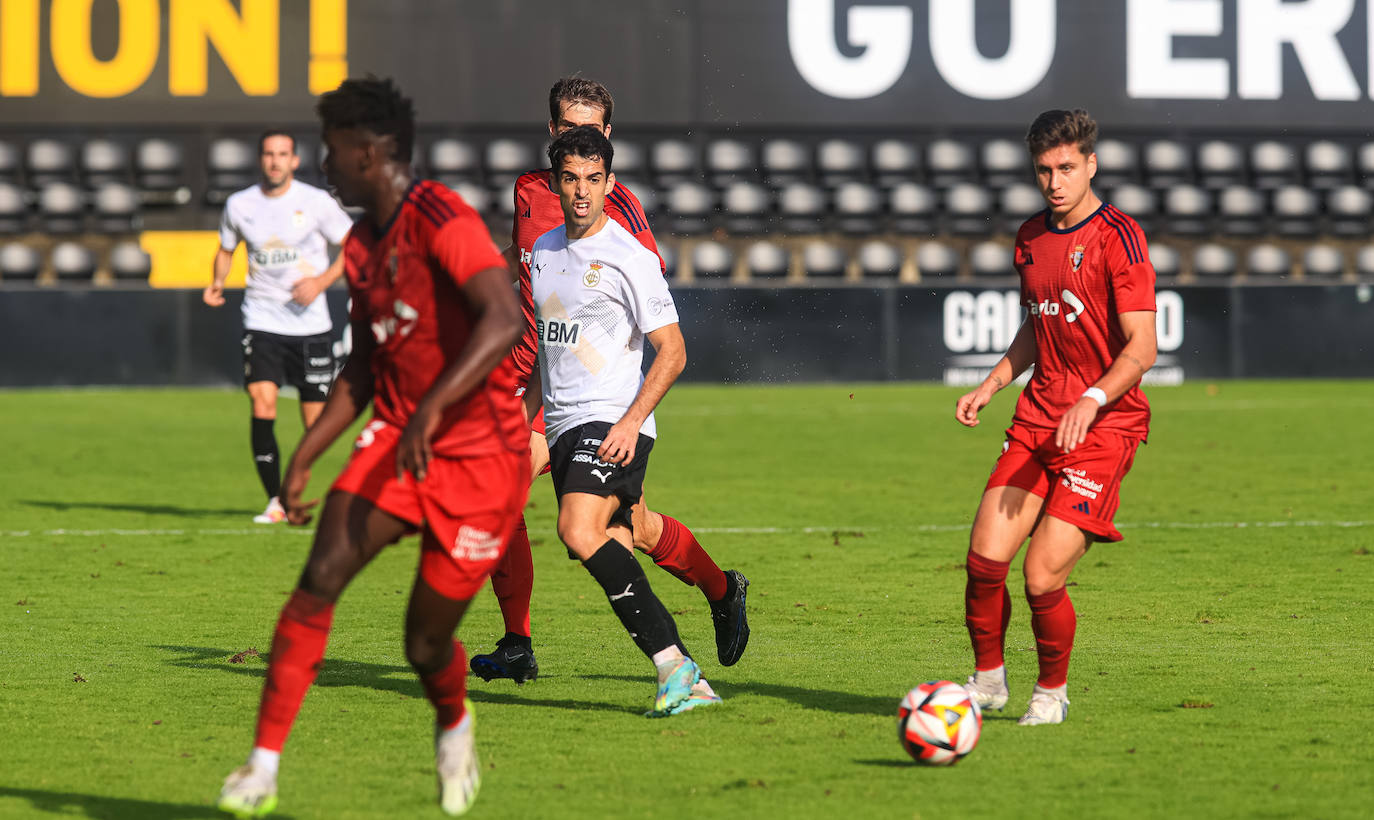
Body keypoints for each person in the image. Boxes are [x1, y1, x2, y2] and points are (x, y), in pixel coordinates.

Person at [216, 77, 528, 818]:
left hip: (482, 459)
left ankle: (454, 724)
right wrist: (308, 452)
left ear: (371, 151)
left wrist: (434, 412)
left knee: (423, 645)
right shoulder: (359, 244)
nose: (325, 164)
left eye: (332, 150)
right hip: (399, 438)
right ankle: (261, 768)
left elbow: (503, 318)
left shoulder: (441, 216)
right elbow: (362, 367)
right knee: (321, 571)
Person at [470, 76, 749, 684]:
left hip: (598, 389)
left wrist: (624, 406)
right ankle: (520, 640)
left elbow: (641, 290)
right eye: (572, 132)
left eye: (593, 134)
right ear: (553, 136)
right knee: (506, 500)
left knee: (625, 531)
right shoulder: (527, 195)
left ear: (608, 145)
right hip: (539, 380)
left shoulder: (618, 214)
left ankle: (719, 595)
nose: (582, 145)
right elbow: (527, 276)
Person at [954, 109, 1157, 726]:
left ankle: (1052, 693)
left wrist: (1093, 399)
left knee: (1041, 576)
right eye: (1044, 169)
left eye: (1066, 167)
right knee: (985, 560)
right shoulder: (1030, 237)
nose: (1054, 181)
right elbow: (1038, 326)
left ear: (1091, 164)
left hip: (1103, 430)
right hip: (1038, 420)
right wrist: (992, 383)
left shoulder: (1120, 237)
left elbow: (1142, 348)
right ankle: (989, 683)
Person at [524, 125, 714, 716]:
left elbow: (674, 350)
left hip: (610, 422)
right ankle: (691, 678)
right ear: (556, 183)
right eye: (571, 179)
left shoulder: (629, 256)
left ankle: (674, 668)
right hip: (562, 426)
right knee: (614, 545)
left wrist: (630, 423)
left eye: (593, 180)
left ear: (609, 183)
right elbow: (552, 348)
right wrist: (526, 419)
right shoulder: (545, 253)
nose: (582, 191)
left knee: (576, 531)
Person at [205, 129, 355, 525]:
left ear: (294, 161)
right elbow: (225, 249)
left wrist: (321, 282)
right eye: (268, 154)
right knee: (263, 402)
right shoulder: (240, 204)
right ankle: (275, 501)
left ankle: (312, 496)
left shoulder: (316, 202)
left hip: (311, 326)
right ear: (261, 160)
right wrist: (218, 281)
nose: (275, 160)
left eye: (282, 154)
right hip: (262, 319)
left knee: (315, 424)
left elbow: (354, 244)